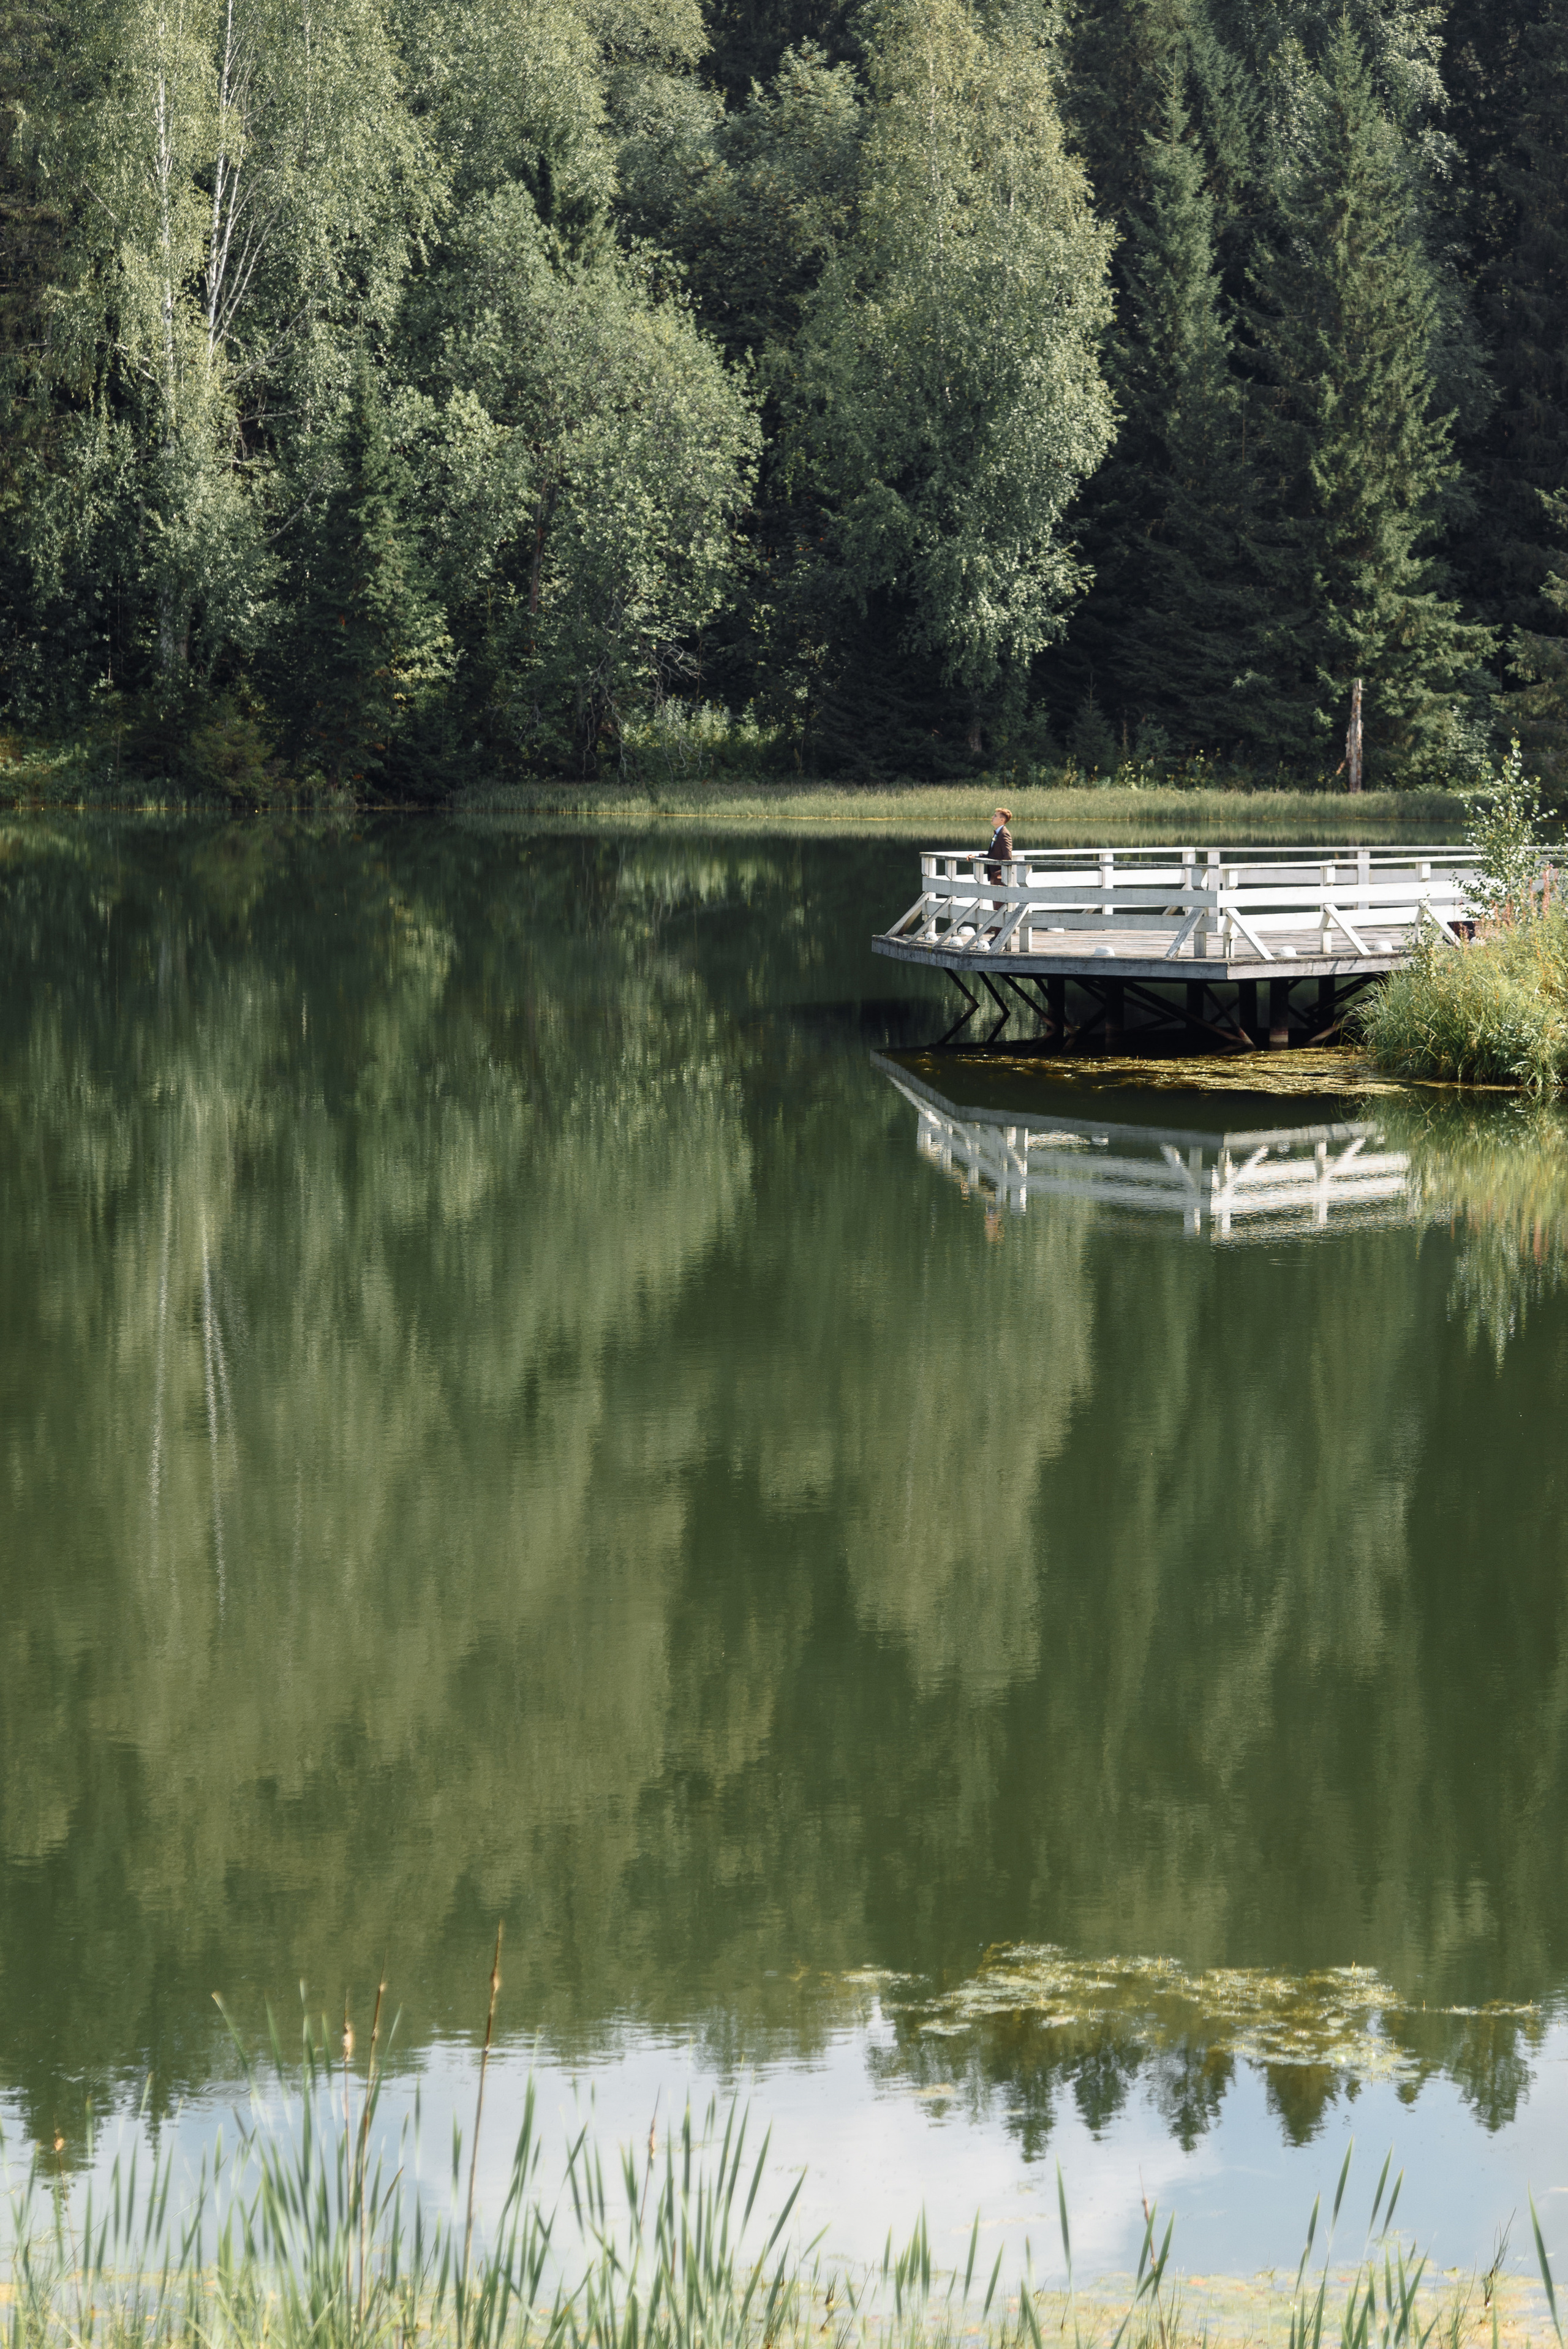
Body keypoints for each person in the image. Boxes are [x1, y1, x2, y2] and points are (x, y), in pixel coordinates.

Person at [985, 805, 1013, 919]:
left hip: (999, 875)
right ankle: (997, 934)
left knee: (1000, 905)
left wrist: (999, 874)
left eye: (996, 816)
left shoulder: (1004, 834)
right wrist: (977, 856)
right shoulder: (998, 833)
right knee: (996, 905)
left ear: (1002, 820)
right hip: (994, 875)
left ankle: (999, 934)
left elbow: (1008, 857)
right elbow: (993, 854)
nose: (993, 817)